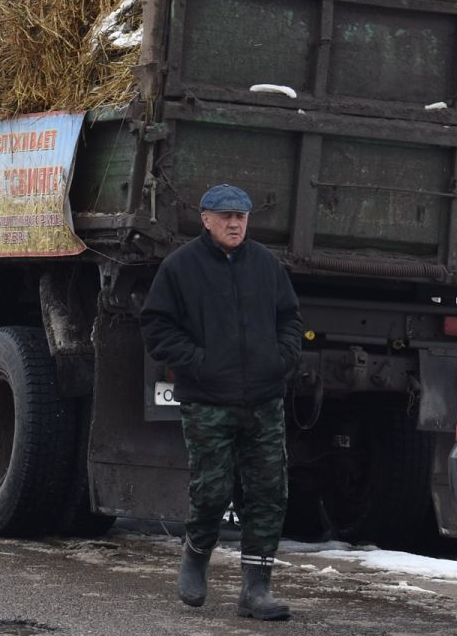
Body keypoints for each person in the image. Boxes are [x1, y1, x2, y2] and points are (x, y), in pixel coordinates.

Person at [139, 183, 302, 621]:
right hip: (208, 400)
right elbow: (156, 327)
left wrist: (281, 358)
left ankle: (256, 590)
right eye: (225, 216)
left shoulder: (266, 265)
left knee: (269, 492)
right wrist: (199, 363)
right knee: (212, 491)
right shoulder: (180, 268)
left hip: (263, 400)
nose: (235, 223)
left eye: (242, 216)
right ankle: (195, 556)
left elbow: (290, 318)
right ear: (205, 219)